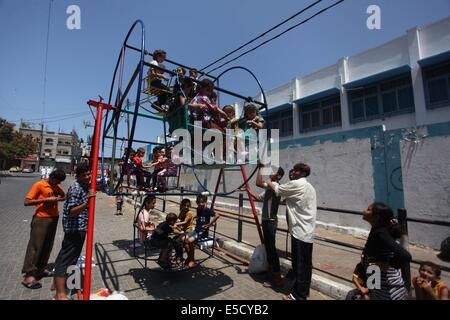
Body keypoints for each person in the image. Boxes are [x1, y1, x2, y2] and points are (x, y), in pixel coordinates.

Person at [266, 163, 316, 300]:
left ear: (301, 172)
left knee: (300, 266)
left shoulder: (297, 184)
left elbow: (277, 189)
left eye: (294, 171)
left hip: (300, 232)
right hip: (306, 232)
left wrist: (268, 180)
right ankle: (301, 292)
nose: (292, 173)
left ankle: (298, 296)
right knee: (304, 266)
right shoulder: (308, 186)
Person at [53, 163, 95, 300]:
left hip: (80, 228)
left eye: (89, 174)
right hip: (74, 229)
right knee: (66, 259)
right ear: (78, 176)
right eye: (84, 175)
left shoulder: (83, 186)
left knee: (70, 257)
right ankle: (60, 293)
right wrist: (87, 203)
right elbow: (71, 211)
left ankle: (58, 284)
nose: (88, 177)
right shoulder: (76, 188)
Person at [21, 169, 66, 289]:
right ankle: (28, 276)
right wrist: (45, 200)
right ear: (51, 177)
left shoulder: (55, 185)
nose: (56, 184)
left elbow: (63, 196)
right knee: (35, 246)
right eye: (55, 181)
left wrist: (57, 199)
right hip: (41, 219)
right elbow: (27, 202)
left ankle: (41, 270)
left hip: (53, 218)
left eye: (58, 182)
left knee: (47, 245)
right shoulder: (39, 185)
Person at [361, 202, 412, 300]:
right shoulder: (376, 228)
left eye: (368, 209)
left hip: (388, 284)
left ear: (377, 217)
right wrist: (365, 254)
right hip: (375, 273)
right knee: (374, 294)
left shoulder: (381, 232)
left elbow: (406, 256)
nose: (364, 210)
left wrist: (389, 263)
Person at [246, 164, 285, 288]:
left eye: (273, 172)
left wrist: (260, 168)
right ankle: (271, 274)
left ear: (279, 176)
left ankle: (277, 278)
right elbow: (258, 196)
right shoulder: (269, 188)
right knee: (269, 249)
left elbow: (259, 182)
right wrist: (248, 191)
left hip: (270, 221)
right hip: (266, 221)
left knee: (271, 250)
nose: (270, 172)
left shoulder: (276, 186)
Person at [185, 195, 220, 268]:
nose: (201, 204)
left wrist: (210, 224)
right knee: (184, 239)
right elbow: (199, 216)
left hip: (202, 232)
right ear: (197, 203)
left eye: (202, 202)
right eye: (199, 203)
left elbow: (217, 215)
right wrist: (196, 217)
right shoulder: (198, 209)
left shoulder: (207, 210)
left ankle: (191, 259)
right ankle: (190, 257)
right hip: (197, 230)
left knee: (189, 241)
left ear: (205, 202)